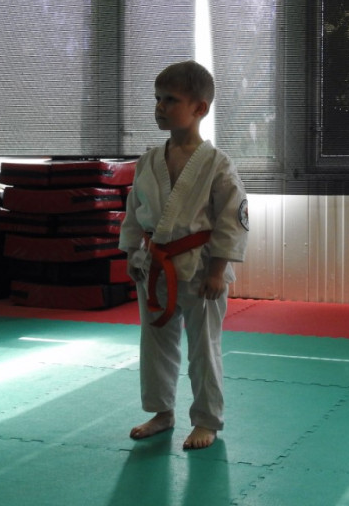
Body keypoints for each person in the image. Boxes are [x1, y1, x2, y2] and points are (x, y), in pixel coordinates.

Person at [118, 60, 249, 450]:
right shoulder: (148, 161)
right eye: (157, 98)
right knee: (155, 342)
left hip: (200, 268)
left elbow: (231, 220)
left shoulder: (217, 164)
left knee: (204, 347)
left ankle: (207, 419)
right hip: (154, 265)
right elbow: (134, 211)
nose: (159, 107)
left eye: (170, 99)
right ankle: (162, 412)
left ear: (200, 108)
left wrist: (218, 270)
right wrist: (131, 252)